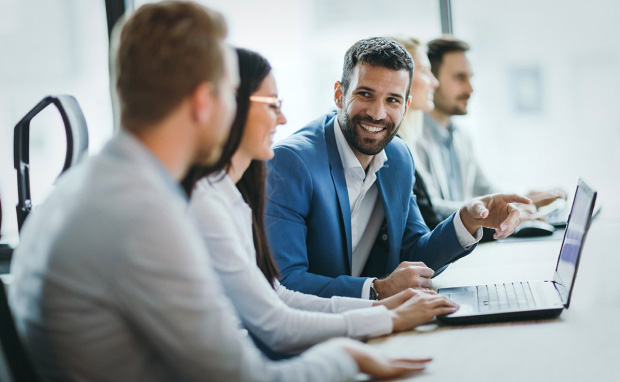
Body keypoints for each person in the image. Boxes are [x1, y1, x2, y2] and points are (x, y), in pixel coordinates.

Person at [8, 3, 430, 381]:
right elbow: (246, 375)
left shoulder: (104, 185)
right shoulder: (146, 214)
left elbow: (269, 305)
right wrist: (348, 356)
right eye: (233, 95)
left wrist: (376, 315)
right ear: (203, 101)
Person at [184, 48, 459, 358]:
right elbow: (276, 316)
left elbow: (279, 301)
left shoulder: (229, 196)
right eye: (272, 104)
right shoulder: (222, 195)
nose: (283, 118)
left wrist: (381, 308)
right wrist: (382, 310)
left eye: (393, 100)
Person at [265, 37, 530, 301]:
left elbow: (415, 253)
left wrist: (468, 220)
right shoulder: (290, 163)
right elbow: (285, 283)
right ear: (339, 94)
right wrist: (378, 290)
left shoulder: (398, 156)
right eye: (365, 94)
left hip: (372, 324)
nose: (378, 114)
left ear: (406, 106)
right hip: (310, 333)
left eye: (392, 100)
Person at [416, 36, 566, 223]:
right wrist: (502, 212)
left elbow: (485, 190)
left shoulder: (462, 137)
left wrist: (526, 198)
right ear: (433, 80)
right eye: (460, 78)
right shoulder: (413, 139)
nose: (470, 89)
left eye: (470, 78)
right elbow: (431, 211)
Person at [390, 35, 444, 230]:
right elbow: (430, 220)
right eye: (424, 72)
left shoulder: (409, 140)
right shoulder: (393, 148)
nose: (434, 82)